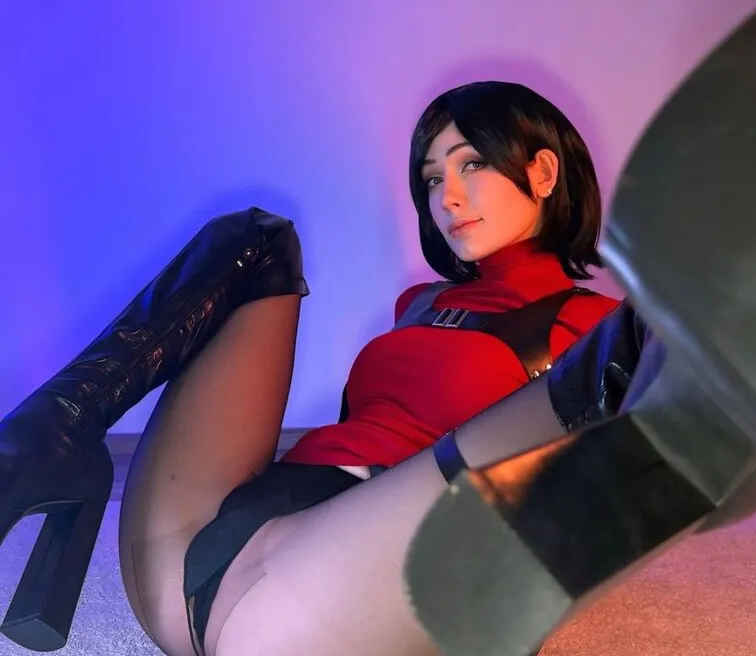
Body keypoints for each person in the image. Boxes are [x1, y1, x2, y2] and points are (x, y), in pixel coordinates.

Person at [0, 80, 650, 656]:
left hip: (344, 592)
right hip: (200, 558)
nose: (447, 197)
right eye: (431, 178)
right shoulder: (419, 303)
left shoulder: (591, 324)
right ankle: (49, 435)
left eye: (471, 163)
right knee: (258, 237)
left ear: (543, 172)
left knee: (636, 348)